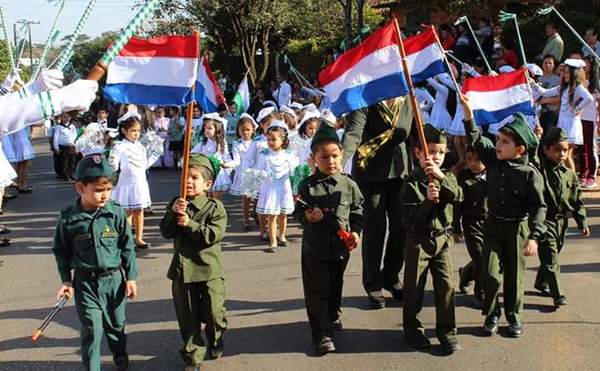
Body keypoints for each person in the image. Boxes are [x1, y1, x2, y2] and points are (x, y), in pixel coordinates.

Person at [461, 95, 547, 338]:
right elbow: (476, 139)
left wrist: (534, 237)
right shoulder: (493, 160)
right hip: (493, 226)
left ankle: (514, 317)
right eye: (498, 139)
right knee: (489, 274)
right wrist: (468, 115)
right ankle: (492, 314)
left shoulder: (531, 175)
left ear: (520, 149)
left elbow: (539, 207)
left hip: (517, 230)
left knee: (515, 278)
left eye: (504, 141)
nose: (498, 144)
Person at [52, 155, 137, 371]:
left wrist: (131, 278)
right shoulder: (69, 219)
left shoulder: (116, 213)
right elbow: (61, 251)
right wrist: (66, 281)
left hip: (114, 281)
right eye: (99, 190)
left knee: (116, 325)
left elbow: (127, 247)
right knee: (92, 330)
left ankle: (119, 352)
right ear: (80, 187)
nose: (104, 195)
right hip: (85, 283)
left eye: (108, 189)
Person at [295, 122, 363, 355]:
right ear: (314, 158)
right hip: (316, 249)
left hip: (340, 249)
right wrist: (308, 217)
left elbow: (357, 211)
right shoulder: (307, 187)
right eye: (324, 157)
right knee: (317, 291)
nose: (331, 161)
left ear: (342, 155)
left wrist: (356, 232)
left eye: (335, 156)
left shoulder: (348, 184)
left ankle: (332, 316)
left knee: (335, 286)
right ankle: (321, 334)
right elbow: (297, 212)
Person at [342, 97, 412, 309]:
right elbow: (354, 132)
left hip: (400, 171)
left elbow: (418, 130)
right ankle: (372, 283)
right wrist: (339, 158)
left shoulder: (407, 95)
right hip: (370, 171)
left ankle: (391, 276)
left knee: (402, 227)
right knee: (375, 228)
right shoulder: (365, 99)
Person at [159, 153, 227, 371]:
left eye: (194, 177)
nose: (188, 181)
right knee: (188, 319)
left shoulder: (215, 207)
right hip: (183, 271)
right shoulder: (175, 203)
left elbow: (212, 235)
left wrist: (190, 224)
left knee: (214, 315)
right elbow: (166, 232)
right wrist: (173, 214)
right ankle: (192, 357)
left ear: (207, 184)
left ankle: (215, 338)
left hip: (208, 271)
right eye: (185, 177)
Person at [400, 125, 463, 353]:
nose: (435, 156)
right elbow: (410, 219)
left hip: (442, 240)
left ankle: (447, 332)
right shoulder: (411, 182)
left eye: (440, 152)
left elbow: (458, 196)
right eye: (430, 151)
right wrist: (427, 201)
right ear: (418, 153)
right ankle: (412, 330)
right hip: (419, 241)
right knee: (414, 288)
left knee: (446, 286)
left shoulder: (447, 176)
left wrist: (442, 179)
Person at [535, 128, 589, 308]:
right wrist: (537, 137)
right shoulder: (540, 169)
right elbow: (532, 157)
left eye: (565, 150)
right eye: (557, 150)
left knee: (554, 253)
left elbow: (577, 200)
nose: (562, 154)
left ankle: (541, 282)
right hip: (544, 221)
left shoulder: (569, 175)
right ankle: (557, 294)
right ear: (546, 150)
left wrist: (582, 221)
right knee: (551, 258)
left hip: (561, 222)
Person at [536, 59, 594, 171]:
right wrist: (533, 84)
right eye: (564, 72)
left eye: (567, 72)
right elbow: (545, 92)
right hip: (562, 124)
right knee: (565, 156)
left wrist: (577, 109)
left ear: (574, 74)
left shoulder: (577, 88)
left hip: (571, 125)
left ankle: (573, 182)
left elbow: (589, 98)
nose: (565, 75)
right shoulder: (564, 88)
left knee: (567, 156)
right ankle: (567, 180)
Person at [108, 112, 152, 249]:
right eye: (133, 131)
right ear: (124, 131)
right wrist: (113, 163)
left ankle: (139, 238)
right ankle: (126, 239)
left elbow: (144, 163)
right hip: (125, 183)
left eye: (138, 131)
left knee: (139, 210)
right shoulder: (119, 146)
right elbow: (113, 164)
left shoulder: (140, 146)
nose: (136, 133)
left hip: (139, 183)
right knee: (126, 212)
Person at [453, 146, 487, 309]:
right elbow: (457, 205)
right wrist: (456, 227)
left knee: (490, 258)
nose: (473, 164)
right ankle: (480, 292)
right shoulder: (464, 178)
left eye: (477, 160)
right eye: (469, 160)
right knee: (481, 259)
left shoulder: (494, 175)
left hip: (490, 224)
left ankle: (466, 272)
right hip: (471, 223)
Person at [256, 121, 297, 252]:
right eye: (268, 139)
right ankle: (273, 241)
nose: (270, 142)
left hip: (284, 187)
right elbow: (258, 170)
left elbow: (294, 172)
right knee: (272, 215)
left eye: (274, 139)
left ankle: (282, 236)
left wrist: (296, 185)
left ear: (283, 140)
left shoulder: (289, 155)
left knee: (283, 214)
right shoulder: (264, 155)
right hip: (270, 187)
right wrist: (262, 175)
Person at [191, 115, 232, 199]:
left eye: (210, 128)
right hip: (205, 172)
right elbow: (193, 153)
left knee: (216, 199)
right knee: (205, 197)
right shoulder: (202, 144)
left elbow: (226, 157)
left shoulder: (222, 143)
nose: (206, 130)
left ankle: (215, 211)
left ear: (217, 129)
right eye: (205, 128)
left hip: (217, 173)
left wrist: (226, 164)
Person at [229, 114, 257, 231]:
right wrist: (228, 165)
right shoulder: (237, 144)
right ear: (238, 131)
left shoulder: (257, 142)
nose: (245, 133)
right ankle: (246, 220)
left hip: (256, 172)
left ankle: (255, 213)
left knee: (257, 197)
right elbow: (236, 160)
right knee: (245, 199)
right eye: (242, 130)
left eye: (248, 130)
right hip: (243, 173)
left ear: (253, 130)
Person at [579, 57, 600, 188]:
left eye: (587, 64)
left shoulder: (596, 84)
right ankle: (582, 173)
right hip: (578, 118)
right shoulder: (579, 81)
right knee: (581, 147)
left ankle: (592, 175)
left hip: (591, 118)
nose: (584, 66)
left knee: (590, 147)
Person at [52, 112, 78, 181]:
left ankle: (71, 173)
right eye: (64, 117)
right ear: (61, 118)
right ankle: (65, 174)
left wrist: (73, 141)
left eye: (68, 117)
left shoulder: (72, 126)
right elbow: (56, 137)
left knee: (72, 161)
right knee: (64, 161)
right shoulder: (59, 127)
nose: (66, 118)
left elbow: (75, 134)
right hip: (63, 147)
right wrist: (56, 147)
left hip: (71, 146)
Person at [539, 55, 561, 132]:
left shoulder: (558, 80)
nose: (547, 65)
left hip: (551, 113)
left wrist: (544, 100)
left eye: (550, 63)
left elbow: (559, 99)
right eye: (545, 63)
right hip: (538, 114)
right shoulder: (538, 79)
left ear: (554, 65)